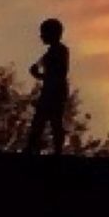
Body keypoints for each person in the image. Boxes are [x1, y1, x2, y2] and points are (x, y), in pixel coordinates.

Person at [26, 18, 69, 155]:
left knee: (52, 122)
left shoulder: (60, 51)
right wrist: (38, 74)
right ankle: (32, 148)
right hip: (50, 90)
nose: (41, 36)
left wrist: (39, 75)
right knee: (41, 121)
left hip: (55, 92)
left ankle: (56, 151)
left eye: (44, 33)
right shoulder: (50, 53)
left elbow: (59, 74)